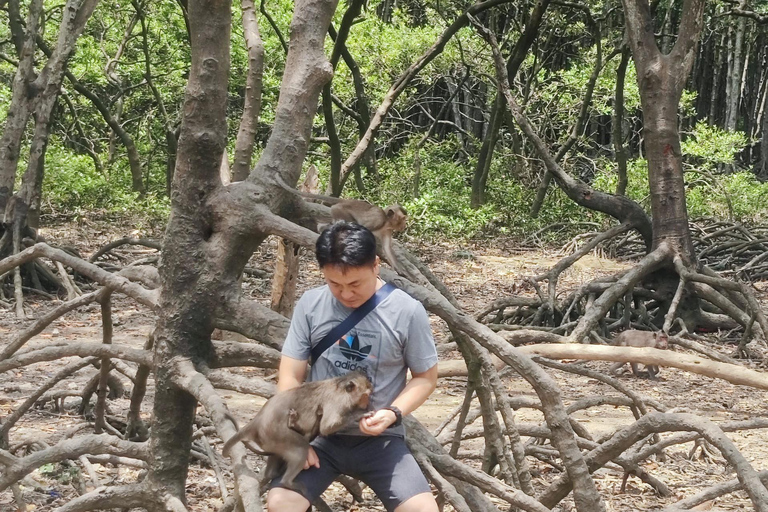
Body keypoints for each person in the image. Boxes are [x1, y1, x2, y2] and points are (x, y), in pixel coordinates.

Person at [267, 221, 439, 512]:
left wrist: (392, 413)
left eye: (355, 284)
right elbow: (290, 376)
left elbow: (425, 377)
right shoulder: (311, 305)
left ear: (375, 265)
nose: (346, 294)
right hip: (319, 436)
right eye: (335, 284)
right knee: (281, 505)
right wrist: (297, 438)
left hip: (380, 440)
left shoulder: (407, 311)